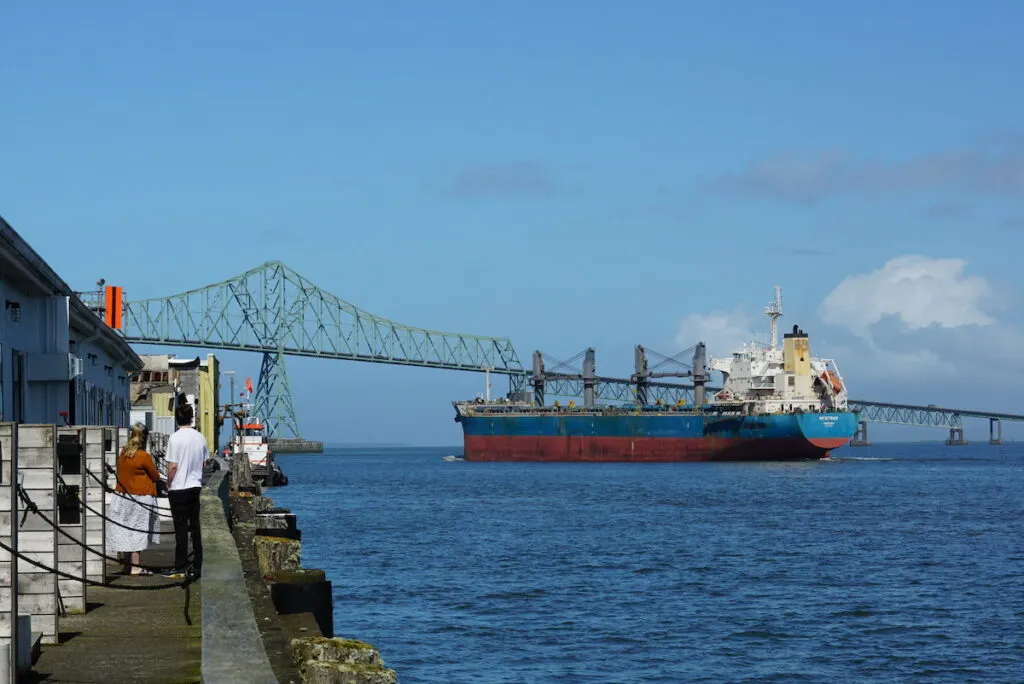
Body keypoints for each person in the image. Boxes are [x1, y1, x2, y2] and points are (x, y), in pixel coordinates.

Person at [105, 423, 161, 575]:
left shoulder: (123, 453)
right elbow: (155, 476)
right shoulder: (143, 456)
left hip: (122, 497)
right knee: (137, 531)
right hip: (140, 498)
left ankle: (127, 565)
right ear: (144, 438)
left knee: (126, 530)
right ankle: (136, 567)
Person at [163, 401, 207, 578]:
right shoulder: (200, 437)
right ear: (191, 418)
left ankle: (180, 565)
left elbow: (172, 466)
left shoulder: (175, 438)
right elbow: (204, 463)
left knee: (181, 528)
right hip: (195, 486)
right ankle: (198, 564)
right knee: (195, 526)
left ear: (177, 419)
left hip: (179, 488)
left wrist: (168, 483)